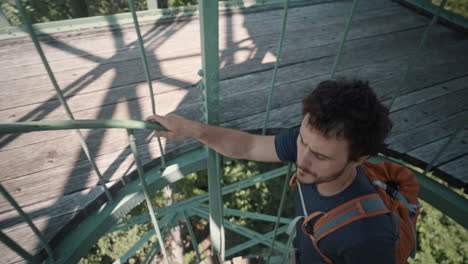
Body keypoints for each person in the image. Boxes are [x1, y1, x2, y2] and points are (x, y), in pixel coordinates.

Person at [147, 78, 397, 264]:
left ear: (358, 159)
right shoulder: (310, 147)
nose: (302, 159)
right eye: (302, 141)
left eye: (320, 155)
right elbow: (249, 146)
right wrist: (192, 130)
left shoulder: (369, 237)